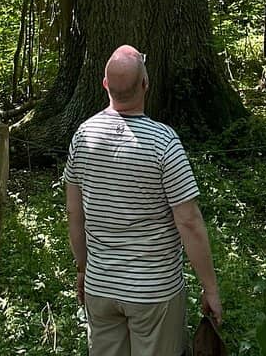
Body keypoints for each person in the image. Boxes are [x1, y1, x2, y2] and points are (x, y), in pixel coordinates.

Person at [64, 45, 223, 356]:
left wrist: (83, 269)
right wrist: (211, 289)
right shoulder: (164, 142)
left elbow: (74, 213)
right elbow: (189, 221)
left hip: (101, 286)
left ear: (105, 84)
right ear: (146, 84)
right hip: (154, 292)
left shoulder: (84, 136)